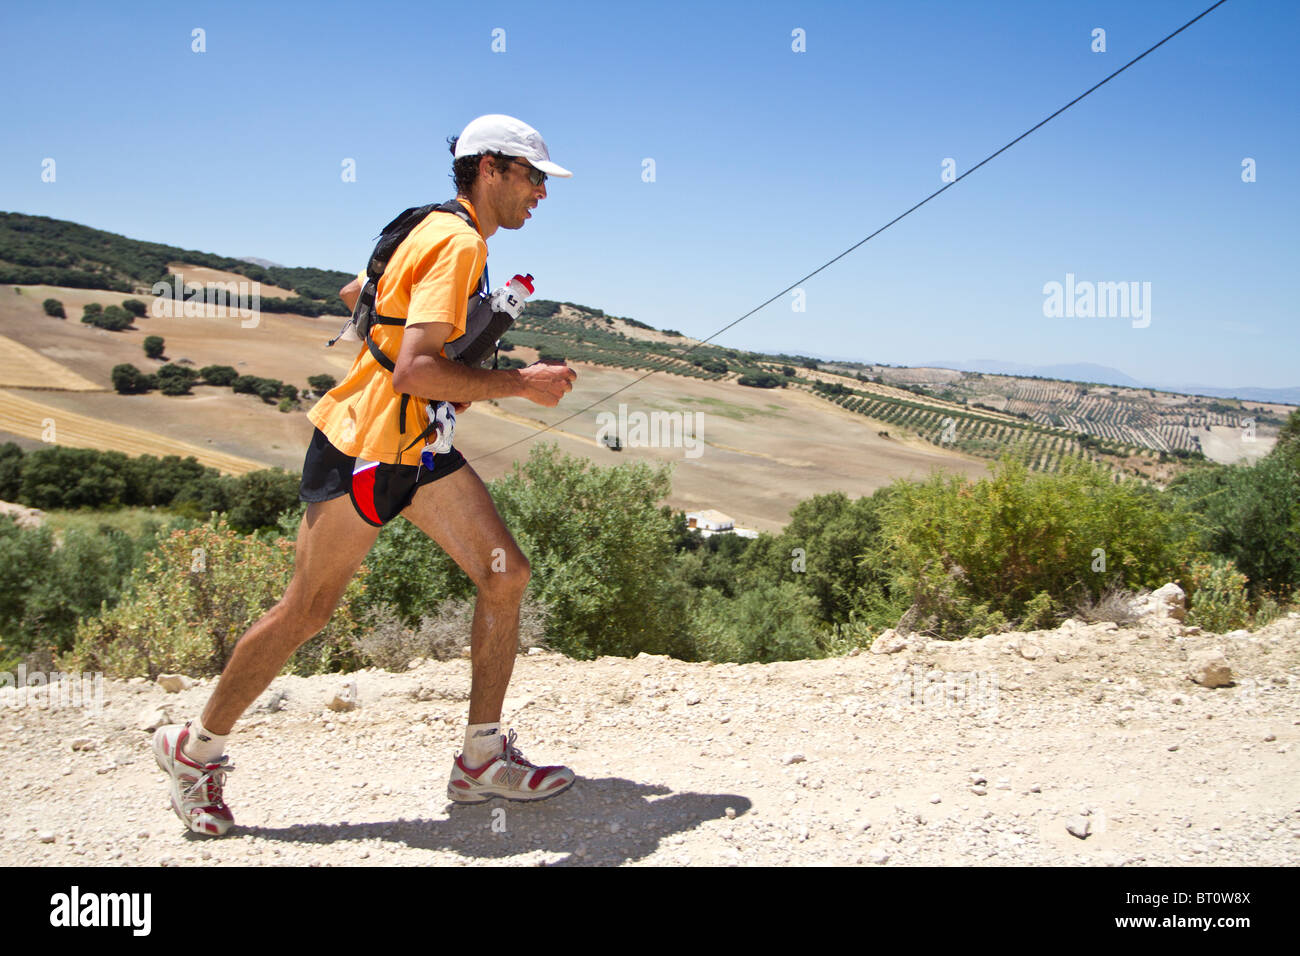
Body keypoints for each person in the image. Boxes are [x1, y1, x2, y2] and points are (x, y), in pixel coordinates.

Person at [152, 114, 580, 835]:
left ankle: (480, 759)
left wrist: (451, 376)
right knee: (307, 612)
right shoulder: (457, 240)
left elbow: (361, 295)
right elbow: (414, 369)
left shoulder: (427, 225)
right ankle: (193, 753)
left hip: (415, 443)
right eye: (535, 176)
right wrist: (520, 383)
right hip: (366, 449)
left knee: (504, 575)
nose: (542, 191)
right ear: (492, 168)